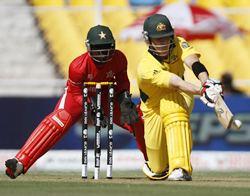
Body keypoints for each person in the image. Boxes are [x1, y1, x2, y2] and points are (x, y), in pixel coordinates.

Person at [5, 25, 148, 179]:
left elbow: (122, 84)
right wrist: (92, 109)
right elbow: (75, 93)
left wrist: (125, 101)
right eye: (98, 48)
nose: (102, 53)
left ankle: (155, 162)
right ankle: (20, 162)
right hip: (79, 96)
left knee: (137, 119)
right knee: (59, 120)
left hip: (107, 95)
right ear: (88, 47)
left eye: (106, 48)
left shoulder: (119, 59)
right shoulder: (77, 66)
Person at [137, 14, 223, 181]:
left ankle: (180, 167)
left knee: (172, 103)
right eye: (158, 40)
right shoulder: (145, 67)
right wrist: (201, 91)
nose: (163, 43)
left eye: (166, 38)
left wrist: (207, 83)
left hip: (180, 94)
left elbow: (193, 62)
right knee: (158, 168)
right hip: (152, 109)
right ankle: (160, 165)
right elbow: (174, 81)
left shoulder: (178, 42)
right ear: (148, 40)